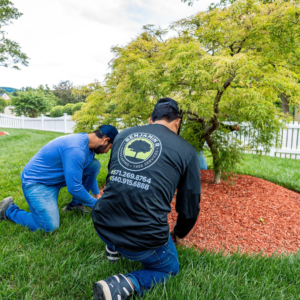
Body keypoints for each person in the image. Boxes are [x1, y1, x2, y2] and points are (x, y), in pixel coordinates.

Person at [92, 98, 201, 300]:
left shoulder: (123, 135)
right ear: (177, 123)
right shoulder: (187, 151)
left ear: (151, 120)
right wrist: (178, 233)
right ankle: (123, 285)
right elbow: (189, 206)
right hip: (144, 239)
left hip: (102, 221)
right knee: (168, 269)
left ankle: (112, 246)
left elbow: (114, 182)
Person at [0, 125, 118, 232]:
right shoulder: (76, 149)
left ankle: (75, 205)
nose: (107, 152)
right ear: (105, 140)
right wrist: (99, 207)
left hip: (56, 179)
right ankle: (8, 209)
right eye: (110, 148)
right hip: (38, 183)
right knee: (48, 227)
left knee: (94, 165)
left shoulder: (87, 144)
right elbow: (75, 188)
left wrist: (97, 195)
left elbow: (89, 171)